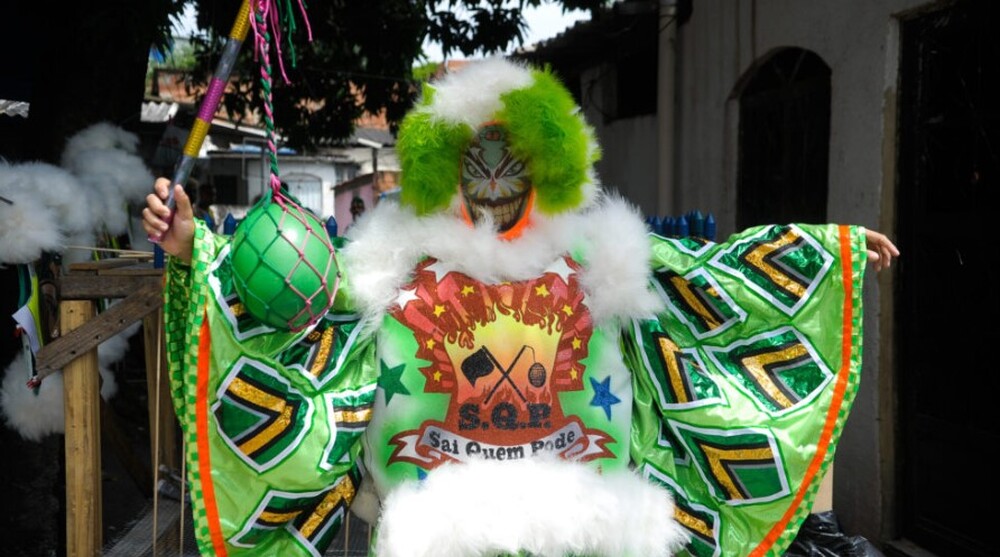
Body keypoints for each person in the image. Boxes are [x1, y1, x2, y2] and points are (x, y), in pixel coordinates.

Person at [143, 58, 897, 557]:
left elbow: (720, 281)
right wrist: (190, 246)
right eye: (475, 159)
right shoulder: (387, 268)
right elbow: (291, 307)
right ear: (446, 168)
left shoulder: (600, 257)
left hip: (584, 531)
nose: (493, 180)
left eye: (513, 162)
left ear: (547, 167)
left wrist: (824, 253)